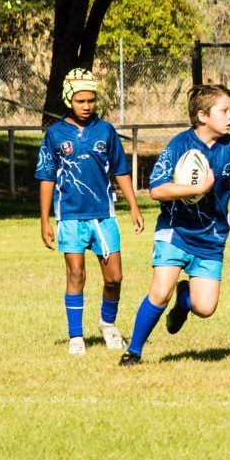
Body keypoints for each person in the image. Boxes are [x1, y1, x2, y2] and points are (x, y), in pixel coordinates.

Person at [119, 84, 230, 366]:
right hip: (175, 231)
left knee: (206, 307)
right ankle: (134, 351)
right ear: (202, 116)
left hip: (211, 238)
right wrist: (194, 189)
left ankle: (185, 299)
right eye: (224, 111)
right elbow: (156, 189)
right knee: (160, 290)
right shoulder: (179, 145)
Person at [36, 68, 143, 356]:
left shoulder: (105, 131)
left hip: (103, 216)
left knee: (114, 278)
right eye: (81, 101)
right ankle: (76, 337)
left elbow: (120, 170)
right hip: (70, 217)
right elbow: (46, 178)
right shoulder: (55, 135)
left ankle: (107, 324)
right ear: (69, 99)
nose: (87, 106)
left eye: (91, 100)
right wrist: (45, 220)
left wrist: (134, 206)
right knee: (76, 274)